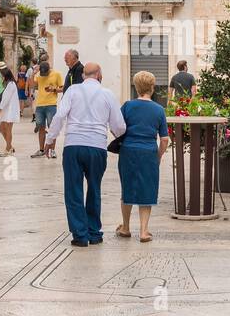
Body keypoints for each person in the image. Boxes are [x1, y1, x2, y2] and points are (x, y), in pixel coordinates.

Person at [47, 62, 126, 246]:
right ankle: (94, 233)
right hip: (97, 147)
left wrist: (50, 139)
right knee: (94, 189)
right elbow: (119, 127)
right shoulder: (108, 94)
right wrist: (117, 135)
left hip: (73, 145)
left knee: (73, 190)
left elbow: (59, 116)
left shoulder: (72, 91)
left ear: (83, 75)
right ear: (99, 75)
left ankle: (80, 235)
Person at [116, 71, 170, 242]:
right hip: (148, 152)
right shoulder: (159, 110)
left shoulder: (127, 106)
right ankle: (144, 231)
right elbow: (164, 139)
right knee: (147, 189)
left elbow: (117, 128)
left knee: (127, 187)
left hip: (128, 151)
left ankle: (125, 227)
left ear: (136, 87)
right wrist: (159, 156)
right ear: (152, 88)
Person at [31, 59, 63, 158]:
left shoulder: (56, 74)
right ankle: (41, 150)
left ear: (49, 69)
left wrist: (53, 89)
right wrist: (33, 74)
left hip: (51, 105)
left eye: (45, 73)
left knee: (52, 128)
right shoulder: (39, 74)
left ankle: (52, 150)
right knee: (41, 127)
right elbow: (33, 85)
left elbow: (62, 88)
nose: (43, 75)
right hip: (40, 105)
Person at [0, 67, 20, 156]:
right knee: (1, 129)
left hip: (10, 110)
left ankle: (8, 149)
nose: (1, 77)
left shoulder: (11, 84)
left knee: (8, 130)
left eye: (2, 76)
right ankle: (10, 147)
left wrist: (0, 109)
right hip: (7, 110)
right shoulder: (9, 84)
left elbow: (6, 98)